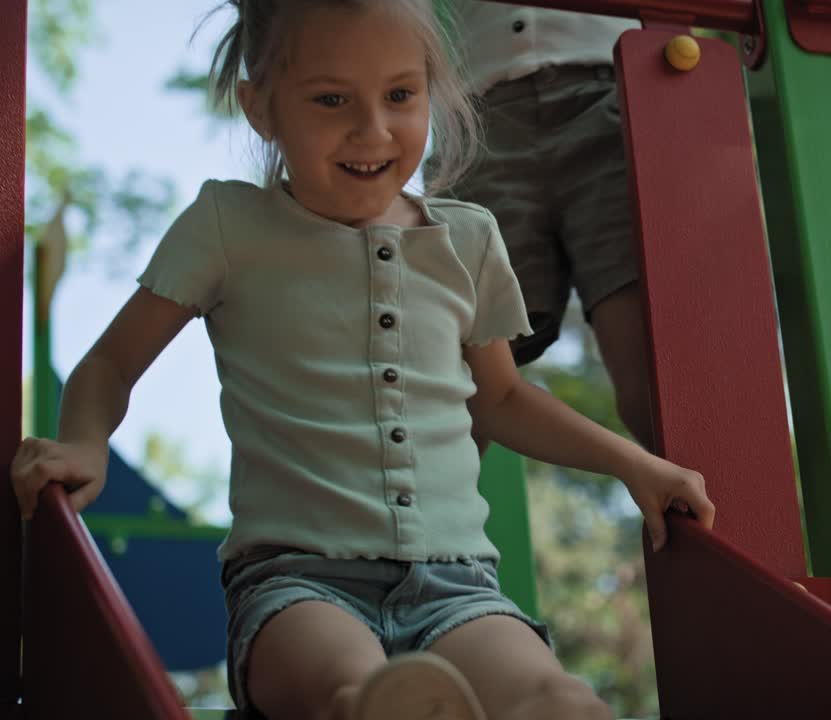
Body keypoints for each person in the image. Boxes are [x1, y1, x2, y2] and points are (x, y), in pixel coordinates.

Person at [8, 2, 714, 718]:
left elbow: (499, 399)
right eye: (331, 99)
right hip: (296, 580)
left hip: (455, 584)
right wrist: (85, 445)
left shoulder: (467, 240)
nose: (372, 129)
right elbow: (110, 364)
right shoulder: (229, 228)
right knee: (350, 688)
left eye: (401, 96)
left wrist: (634, 463)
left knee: (556, 698)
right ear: (261, 108)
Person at [446, 3, 657, 450]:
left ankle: (713, 513)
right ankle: (432, 515)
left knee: (654, 386)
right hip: (479, 113)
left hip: (616, 80)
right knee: (458, 388)